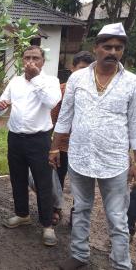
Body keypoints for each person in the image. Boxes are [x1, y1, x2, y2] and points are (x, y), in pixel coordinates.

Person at [50, 23, 136, 270]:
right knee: (81, 208)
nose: (113, 51)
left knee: (117, 218)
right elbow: (65, 116)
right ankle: (80, 255)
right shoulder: (77, 78)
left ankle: (121, 264)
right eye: (108, 46)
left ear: (123, 51)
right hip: (80, 156)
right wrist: (54, 147)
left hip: (114, 161)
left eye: (118, 48)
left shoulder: (133, 83)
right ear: (97, 48)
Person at [0, 45, 61, 247]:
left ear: (43, 61)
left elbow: (51, 102)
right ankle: (22, 214)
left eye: (35, 58)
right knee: (17, 178)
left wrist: (36, 78)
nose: (30, 62)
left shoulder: (50, 81)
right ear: (21, 60)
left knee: (43, 182)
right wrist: (0, 107)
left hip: (39, 139)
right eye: (26, 58)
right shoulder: (15, 82)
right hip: (15, 137)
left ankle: (47, 225)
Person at [50, 51, 95, 225]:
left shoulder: (93, 92)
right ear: (72, 68)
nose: (85, 74)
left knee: (82, 184)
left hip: (83, 146)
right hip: (61, 146)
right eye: (81, 69)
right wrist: (52, 145)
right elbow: (52, 119)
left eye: (89, 70)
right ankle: (55, 209)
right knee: (58, 179)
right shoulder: (61, 90)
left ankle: (77, 216)